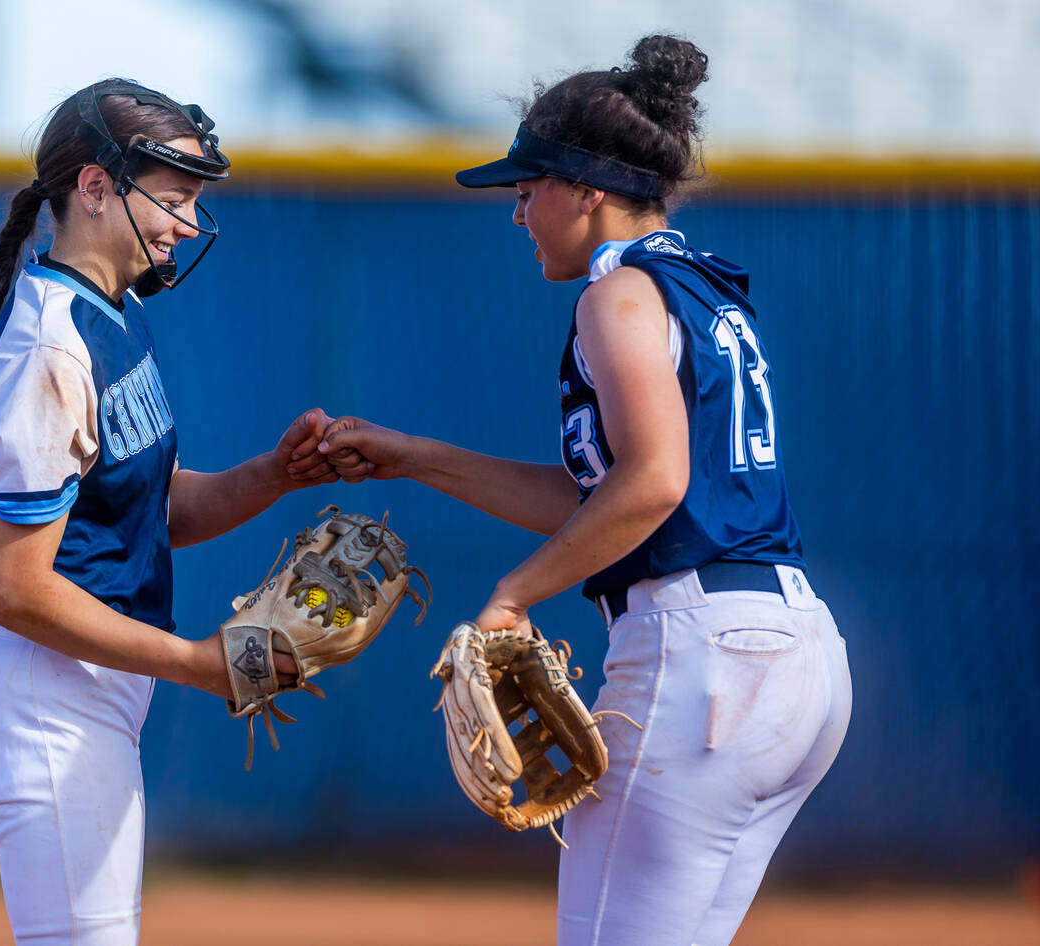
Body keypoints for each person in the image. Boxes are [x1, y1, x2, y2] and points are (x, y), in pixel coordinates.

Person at [318, 34, 852, 946]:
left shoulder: (617, 296)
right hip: (796, 662)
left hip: (700, 661)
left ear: (588, 188)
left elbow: (653, 480)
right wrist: (413, 456)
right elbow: (612, 500)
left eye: (530, 189)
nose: (519, 212)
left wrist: (512, 596)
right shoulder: (698, 289)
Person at [0, 79, 335, 944]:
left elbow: (154, 512)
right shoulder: (53, 346)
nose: (187, 223)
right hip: (40, 690)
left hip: (78, 685)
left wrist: (274, 476)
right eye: (174, 196)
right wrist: (199, 662)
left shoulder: (110, 315)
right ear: (92, 187)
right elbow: (14, 589)